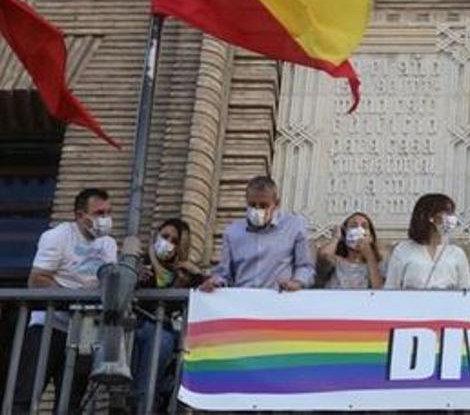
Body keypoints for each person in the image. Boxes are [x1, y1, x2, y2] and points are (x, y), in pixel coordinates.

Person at [14, 188, 118, 413]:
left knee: (70, 402)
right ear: (81, 216)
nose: (105, 219)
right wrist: (73, 302)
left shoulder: (109, 244)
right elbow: (37, 279)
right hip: (49, 326)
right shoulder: (58, 236)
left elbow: (108, 283)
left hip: (84, 332)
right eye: (99, 213)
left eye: (109, 212)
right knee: (27, 394)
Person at [130, 219, 203, 413]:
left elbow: (206, 285)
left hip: (170, 334)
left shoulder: (183, 274)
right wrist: (135, 277)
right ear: (156, 235)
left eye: (175, 240)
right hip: (139, 329)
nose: (168, 242)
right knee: (162, 340)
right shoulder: (141, 263)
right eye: (165, 236)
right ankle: (144, 403)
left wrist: (194, 274)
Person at [199, 175, 315, 291]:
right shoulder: (232, 232)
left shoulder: (294, 226)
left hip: (279, 300)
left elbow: (305, 266)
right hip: (241, 301)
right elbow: (224, 274)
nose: (257, 209)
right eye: (252, 205)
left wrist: (296, 282)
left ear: (276, 204)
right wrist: (214, 283)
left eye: (264, 205)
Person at [385, 194, 470, 289]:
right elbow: (391, 287)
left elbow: (466, 288)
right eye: (445, 212)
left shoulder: (457, 252)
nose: (449, 218)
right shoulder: (403, 250)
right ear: (428, 216)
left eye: (451, 213)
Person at [319, 212, 385, 289]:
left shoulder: (378, 265)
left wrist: (369, 254)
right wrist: (336, 237)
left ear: (371, 237)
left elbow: (379, 290)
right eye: (353, 226)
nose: (359, 230)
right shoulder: (337, 262)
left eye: (364, 226)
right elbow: (324, 255)